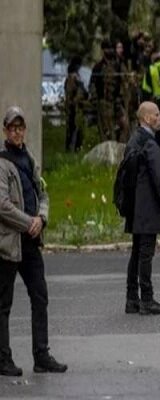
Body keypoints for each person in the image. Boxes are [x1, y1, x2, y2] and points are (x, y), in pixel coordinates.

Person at [0, 106, 68, 376]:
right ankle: (3, 359)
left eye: (20, 127)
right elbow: (2, 206)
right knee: (3, 304)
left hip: (31, 243)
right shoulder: (2, 163)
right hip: (8, 244)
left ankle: (42, 355)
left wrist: (42, 217)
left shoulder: (29, 158)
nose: (17, 132)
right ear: (6, 131)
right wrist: (29, 223)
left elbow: (43, 193)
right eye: (12, 128)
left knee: (40, 296)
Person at [124, 102, 160, 316]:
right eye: (157, 115)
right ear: (146, 119)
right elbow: (159, 180)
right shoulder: (150, 145)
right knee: (145, 254)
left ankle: (131, 298)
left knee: (136, 253)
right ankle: (147, 299)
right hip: (149, 207)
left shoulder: (133, 140)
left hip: (134, 206)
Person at [90, 39, 125, 142]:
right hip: (104, 102)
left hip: (117, 102)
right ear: (103, 50)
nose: (110, 51)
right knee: (107, 131)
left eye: (111, 48)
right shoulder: (98, 67)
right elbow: (93, 84)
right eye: (107, 49)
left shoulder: (118, 66)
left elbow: (123, 82)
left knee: (123, 125)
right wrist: (95, 99)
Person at [64, 56, 88, 152]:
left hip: (78, 107)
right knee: (72, 128)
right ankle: (71, 148)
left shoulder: (76, 78)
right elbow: (70, 95)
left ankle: (76, 148)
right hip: (73, 108)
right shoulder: (72, 79)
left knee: (78, 129)